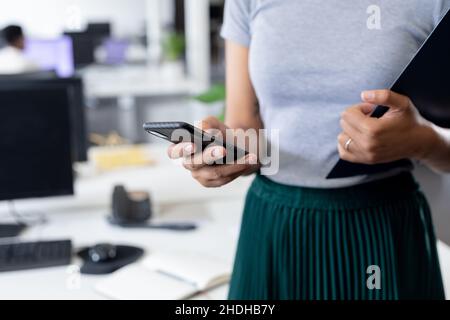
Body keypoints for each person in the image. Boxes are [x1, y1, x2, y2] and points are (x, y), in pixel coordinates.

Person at [168, 1, 450, 300]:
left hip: (380, 230)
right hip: (274, 227)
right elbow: (246, 128)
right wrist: (225, 153)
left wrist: (420, 143)